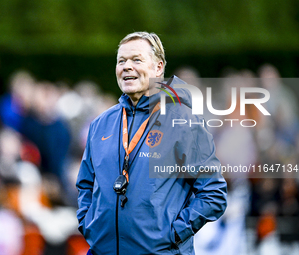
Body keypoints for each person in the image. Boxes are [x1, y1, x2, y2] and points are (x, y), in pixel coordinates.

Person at [76, 32, 227, 255]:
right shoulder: (101, 124)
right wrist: (89, 225)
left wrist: (173, 234)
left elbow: (213, 193)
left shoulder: (184, 120)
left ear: (158, 67)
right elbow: (86, 185)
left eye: (136, 60)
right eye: (121, 61)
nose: (127, 66)